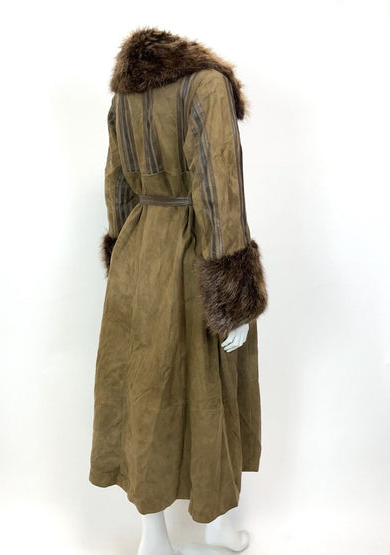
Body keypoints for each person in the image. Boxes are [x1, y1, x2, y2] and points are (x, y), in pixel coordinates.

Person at [89, 26, 268, 554]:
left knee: (144, 387)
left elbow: (116, 183)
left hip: (138, 249)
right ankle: (216, 524)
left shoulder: (125, 95)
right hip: (197, 253)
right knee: (211, 380)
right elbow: (218, 188)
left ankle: (154, 537)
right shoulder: (206, 84)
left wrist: (124, 252)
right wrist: (233, 291)